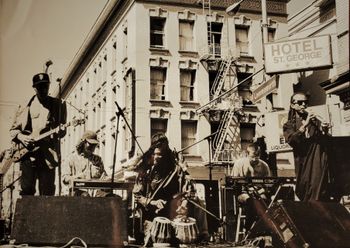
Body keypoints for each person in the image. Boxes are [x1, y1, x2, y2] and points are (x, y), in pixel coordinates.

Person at [133, 133, 207, 246]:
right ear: (152, 153)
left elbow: (188, 191)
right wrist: (152, 202)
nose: (160, 157)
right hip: (151, 213)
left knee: (199, 203)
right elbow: (137, 196)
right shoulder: (145, 170)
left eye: (163, 154)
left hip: (172, 211)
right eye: (157, 154)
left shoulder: (175, 169)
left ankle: (202, 236)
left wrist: (183, 205)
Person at [9, 73, 67, 196]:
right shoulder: (26, 105)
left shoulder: (58, 105)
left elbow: (62, 130)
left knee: (47, 192)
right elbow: (13, 131)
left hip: (48, 156)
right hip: (28, 155)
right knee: (27, 190)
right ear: (34, 88)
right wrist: (22, 137)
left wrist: (61, 131)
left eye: (46, 86)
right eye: (40, 87)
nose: (44, 90)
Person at [283, 92, 331, 201]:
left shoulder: (314, 121)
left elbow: (324, 140)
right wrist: (305, 124)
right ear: (292, 105)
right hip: (303, 162)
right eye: (300, 102)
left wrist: (324, 128)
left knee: (317, 188)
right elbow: (292, 140)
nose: (304, 105)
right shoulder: (289, 124)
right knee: (305, 189)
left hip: (317, 160)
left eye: (306, 102)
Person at [231, 143, 271, 230]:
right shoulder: (239, 164)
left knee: (267, 203)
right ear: (247, 154)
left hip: (259, 193)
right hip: (243, 193)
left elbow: (268, 185)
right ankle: (249, 229)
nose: (254, 159)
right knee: (251, 201)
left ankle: (264, 231)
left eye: (257, 157)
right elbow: (234, 183)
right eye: (252, 156)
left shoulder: (264, 166)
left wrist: (259, 191)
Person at [62, 130, 108, 197]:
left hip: (95, 193)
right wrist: (78, 177)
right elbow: (65, 179)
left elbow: (104, 176)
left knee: (113, 198)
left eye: (94, 145)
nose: (92, 147)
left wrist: (108, 178)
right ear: (83, 143)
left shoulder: (97, 159)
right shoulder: (71, 159)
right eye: (90, 144)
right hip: (77, 193)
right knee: (85, 196)